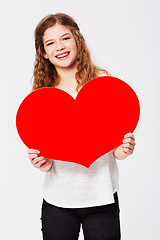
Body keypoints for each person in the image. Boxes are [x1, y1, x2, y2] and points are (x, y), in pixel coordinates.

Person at [27, 13, 136, 240]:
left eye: (65, 38)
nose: (60, 47)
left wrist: (123, 150)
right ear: (44, 54)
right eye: (50, 43)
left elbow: (114, 149)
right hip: (58, 201)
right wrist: (43, 164)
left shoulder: (104, 84)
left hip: (102, 197)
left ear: (77, 39)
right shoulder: (42, 97)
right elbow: (47, 156)